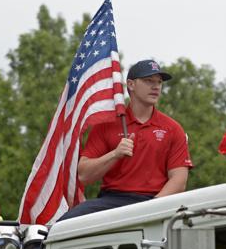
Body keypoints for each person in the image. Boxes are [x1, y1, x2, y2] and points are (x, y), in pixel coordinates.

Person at [57, 59, 192, 221]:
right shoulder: (106, 125)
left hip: (154, 201)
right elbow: (84, 175)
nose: (156, 87)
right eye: (149, 81)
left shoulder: (173, 128)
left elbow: (179, 180)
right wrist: (115, 154)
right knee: (64, 224)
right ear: (131, 84)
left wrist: (152, 208)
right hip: (112, 201)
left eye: (159, 82)